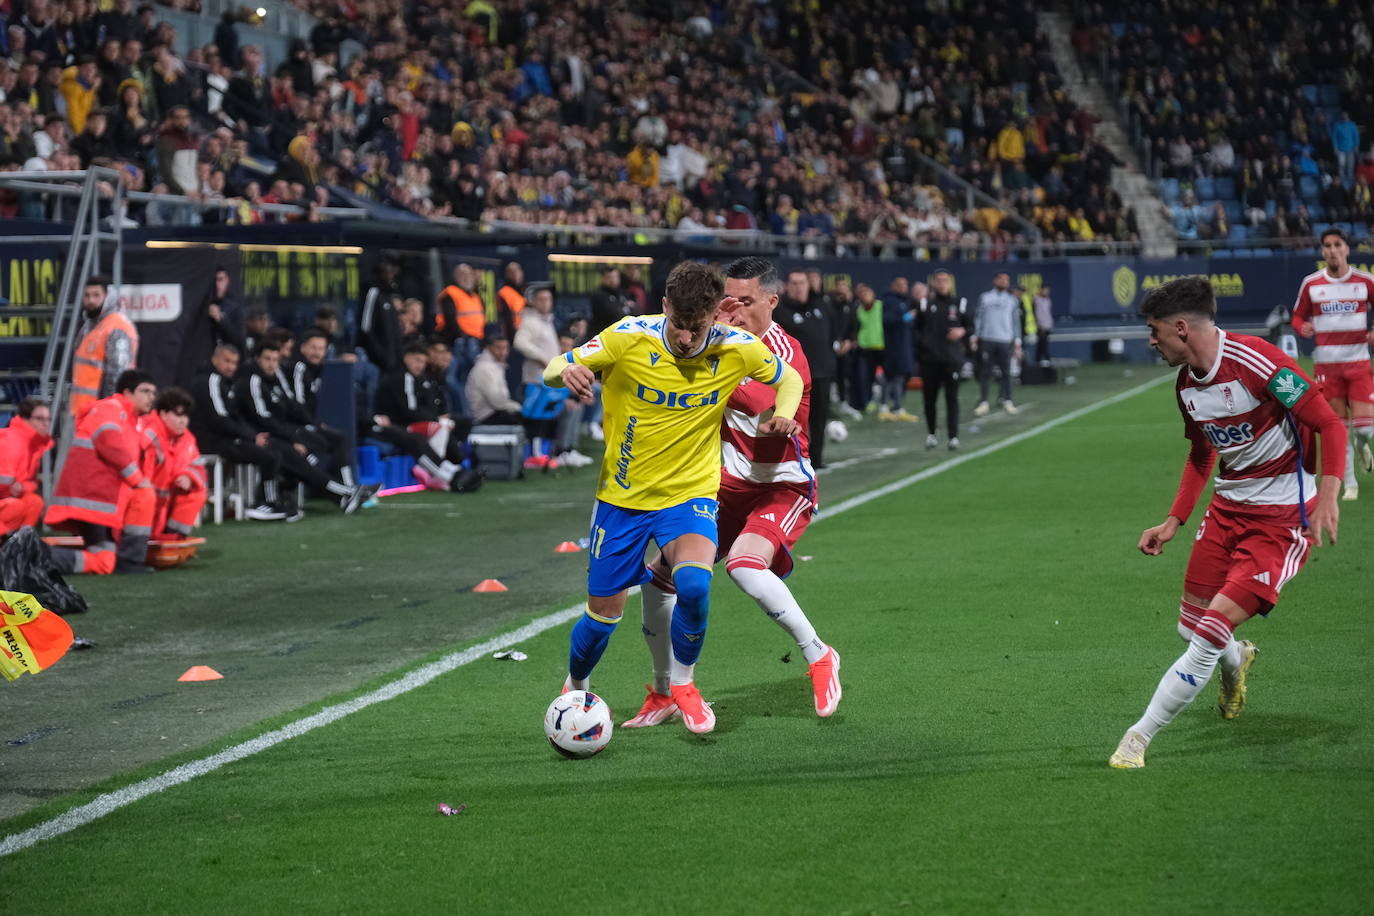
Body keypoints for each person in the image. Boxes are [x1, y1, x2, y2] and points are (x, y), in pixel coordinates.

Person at [542, 261, 804, 735]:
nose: (686, 338)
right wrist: (569, 371)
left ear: (714, 315)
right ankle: (575, 687)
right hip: (622, 498)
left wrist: (783, 414)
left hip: (691, 494)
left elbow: (789, 379)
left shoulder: (737, 347)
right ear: (664, 307)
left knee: (696, 585)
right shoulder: (628, 335)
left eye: (697, 327)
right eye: (678, 325)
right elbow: (554, 366)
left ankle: (682, 684)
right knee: (602, 618)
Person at [1109, 277, 1346, 769]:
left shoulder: (1259, 362)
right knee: (1189, 627)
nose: (1150, 341)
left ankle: (1137, 738)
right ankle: (1237, 661)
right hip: (1226, 510)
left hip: (1281, 518)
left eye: (1154, 332)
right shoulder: (1185, 387)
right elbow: (1201, 455)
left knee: (1208, 631)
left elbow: (1329, 423)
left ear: (1180, 328)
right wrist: (1174, 520)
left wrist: (1328, 495)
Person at [627, 257, 839, 728]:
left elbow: (761, 404)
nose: (735, 311)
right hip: (726, 488)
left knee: (745, 566)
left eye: (745, 302)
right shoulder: (717, 341)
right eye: (728, 302)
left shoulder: (784, 352)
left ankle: (819, 654)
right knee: (659, 580)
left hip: (782, 487)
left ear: (772, 301)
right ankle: (664, 691)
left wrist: (706, 352)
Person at [236, 340, 376, 516]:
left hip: (280, 434)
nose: (272, 364)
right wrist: (293, 440)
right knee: (302, 461)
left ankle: (344, 495)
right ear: (257, 359)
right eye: (267, 359)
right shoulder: (252, 382)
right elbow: (263, 420)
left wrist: (312, 425)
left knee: (322, 448)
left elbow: (289, 408)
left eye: (274, 360)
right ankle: (347, 492)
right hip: (262, 438)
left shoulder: (272, 380)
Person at [45, 370, 158, 575]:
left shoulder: (129, 420)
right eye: (145, 391)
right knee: (106, 561)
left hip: (98, 502)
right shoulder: (111, 409)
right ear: (127, 392)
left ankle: (38, 557)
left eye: (153, 393)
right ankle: (38, 557)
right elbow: (110, 442)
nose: (151, 397)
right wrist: (138, 480)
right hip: (94, 502)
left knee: (105, 560)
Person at [1291, 228, 1374, 500]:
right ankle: (1350, 484)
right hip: (1327, 368)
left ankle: (1363, 446)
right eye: (1327, 245)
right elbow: (1297, 317)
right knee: (1338, 427)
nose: (1332, 250)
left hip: (1359, 363)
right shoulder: (1312, 284)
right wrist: (1301, 326)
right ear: (1322, 251)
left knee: (1365, 428)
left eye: (1337, 244)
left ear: (1347, 249)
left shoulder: (1364, 281)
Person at [189, 343, 287, 521]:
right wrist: (250, 437)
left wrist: (250, 436)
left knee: (272, 452)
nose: (230, 367)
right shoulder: (210, 380)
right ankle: (263, 503)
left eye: (234, 363)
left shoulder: (221, 382)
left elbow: (231, 417)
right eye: (226, 361)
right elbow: (219, 419)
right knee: (269, 455)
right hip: (212, 441)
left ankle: (268, 501)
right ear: (215, 359)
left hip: (222, 438)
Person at [372, 341, 473, 491]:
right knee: (437, 428)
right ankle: (434, 472)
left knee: (444, 427)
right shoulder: (402, 377)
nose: (420, 365)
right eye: (417, 360)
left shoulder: (415, 379)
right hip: (398, 423)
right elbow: (408, 410)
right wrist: (436, 419)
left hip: (404, 422)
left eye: (423, 362)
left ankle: (444, 468)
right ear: (406, 358)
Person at [513, 286, 591, 466]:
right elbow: (520, 342)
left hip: (548, 382)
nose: (545, 303)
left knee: (556, 414)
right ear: (533, 301)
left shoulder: (547, 321)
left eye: (548, 299)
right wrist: (542, 358)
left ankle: (563, 450)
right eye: (541, 299)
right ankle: (539, 455)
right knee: (536, 420)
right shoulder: (530, 321)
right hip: (535, 381)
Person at [775, 269, 839, 466]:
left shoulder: (820, 306)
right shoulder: (780, 311)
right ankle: (792, 458)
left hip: (821, 373)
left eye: (802, 283)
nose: (799, 287)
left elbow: (832, 332)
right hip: (793, 377)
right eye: (794, 283)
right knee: (793, 419)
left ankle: (816, 458)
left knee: (819, 418)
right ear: (787, 286)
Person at [916, 270, 973, 449]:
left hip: (951, 359)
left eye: (945, 280)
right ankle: (931, 433)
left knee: (952, 398)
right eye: (939, 280)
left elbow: (970, 326)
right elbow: (916, 329)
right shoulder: (925, 304)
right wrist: (924, 345)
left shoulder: (960, 303)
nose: (942, 283)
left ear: (950, 283)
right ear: (933, 283)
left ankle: (953, 436)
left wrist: (962, 331)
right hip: (930, 361)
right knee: (929, 399)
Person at [140, 387, 207, 540]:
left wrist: (189, 477)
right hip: (143, 507)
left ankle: (173, 536)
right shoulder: (150, 436)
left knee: (197, 491)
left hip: (163, 505)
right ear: (163, 414)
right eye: (178, 415)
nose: (183, 421)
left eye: (185, 415)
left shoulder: (187, 439)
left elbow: (198, 468)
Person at [70, 275, 138, 415]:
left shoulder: (116, 326)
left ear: (108, 297)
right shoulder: (90, 326)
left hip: (102, 411)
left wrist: (108, 411)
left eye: (96, 295)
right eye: (87, 295)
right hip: (85, 410)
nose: (91, 300)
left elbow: (118, 375)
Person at [0, 398, 53, 538]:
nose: (45, 424)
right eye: (40, 418)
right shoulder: (11, 440)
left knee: (34, 502)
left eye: (48, 419)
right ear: (24, 419)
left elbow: (30, 482)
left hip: (7, 498)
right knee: (16, 506)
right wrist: (10, 488)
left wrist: (21, 487)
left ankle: (20, 545)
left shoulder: (32, 445)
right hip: (6, 499)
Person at [972, 271, 1023, 416]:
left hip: (1005, 340)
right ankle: (983, 402)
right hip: (988, 339)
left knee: (1006, 372)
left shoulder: (1012, 300)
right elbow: (979, 318)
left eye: (1006, 279)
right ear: (995, 281)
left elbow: (1015, 321)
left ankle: (1007, 400)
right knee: (985, 372)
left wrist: (1017, 340)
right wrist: (976, 336)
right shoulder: (985, 297)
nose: (1003, 282)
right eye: (1001, 279)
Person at [879, 276, 918, 421]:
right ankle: (892, 407)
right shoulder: (890, 301)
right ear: (893, 286)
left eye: (905, 284)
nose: (903, 287)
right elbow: (887, 320)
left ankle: (890, 406)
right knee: (894, 376)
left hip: (903, 344)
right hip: (893, 345)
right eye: (900, 284)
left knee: (898, 376)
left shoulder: (904, 301)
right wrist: (904, 318)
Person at [466, 334, 523, 425]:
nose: (503, 352)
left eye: (505, 348)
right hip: (485, 416)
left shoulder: (496, 366)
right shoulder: (484, 368)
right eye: (498, 348)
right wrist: (519, 408)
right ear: (489, 348)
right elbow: (497, 401)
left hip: (495, 412)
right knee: (528, 420)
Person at [851, 283, 884, 413]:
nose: (866, 296)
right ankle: (867, 401)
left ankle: (886, 402)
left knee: (886, 378)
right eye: (863, 294)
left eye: (868, 293)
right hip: (864, 348)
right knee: (865, 377)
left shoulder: (880, 306)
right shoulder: (858, 309)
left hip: (880, 347)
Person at [589, 266, 632, 332]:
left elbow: (635, 311)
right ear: (603, 278)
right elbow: (613, 314)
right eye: (609, 277)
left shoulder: (622, 293)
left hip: (623, 332)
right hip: (605, 333)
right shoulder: (598, 295)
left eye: (615, 277)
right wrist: (624, 306)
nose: (613, 280)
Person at [1033, 284, 1054, 367]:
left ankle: (1039, 361)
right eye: (1045, 290)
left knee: (1043, 345)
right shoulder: (1036, 299)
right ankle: (1046, 360)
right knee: (1042, 345)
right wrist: (1037, 324)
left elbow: (1047, 314)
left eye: (1048, 290)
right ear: (1041, 290)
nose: (1047, 292)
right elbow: (1034, 313)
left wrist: (1049, 324)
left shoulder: (1048, 300)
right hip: (1040, 327)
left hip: (1047, 326)